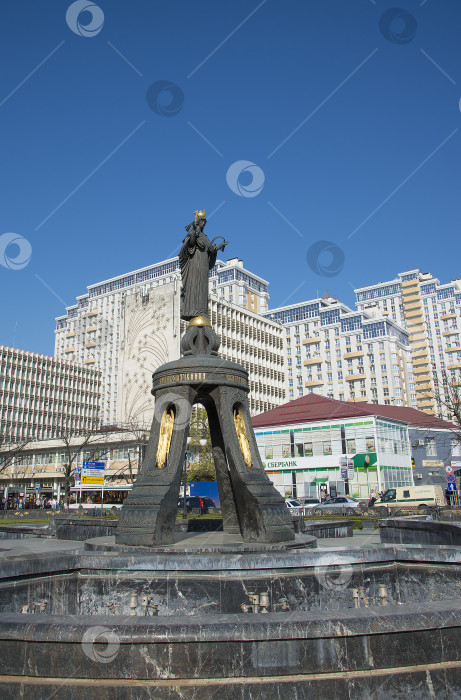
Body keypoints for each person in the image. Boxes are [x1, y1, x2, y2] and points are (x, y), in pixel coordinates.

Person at [178, 210, 228, 321]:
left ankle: (202, 309)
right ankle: (194, 309)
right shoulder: (194, 232)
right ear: (198, 222)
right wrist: (195, 233)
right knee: (195, 284)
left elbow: (210, 249)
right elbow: (190, 244)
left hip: (204, 264)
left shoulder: (205, 236)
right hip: (196, 262)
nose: (204, 224)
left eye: (205, 222)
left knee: (202, 286)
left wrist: (219, 247)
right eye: (202, 221)